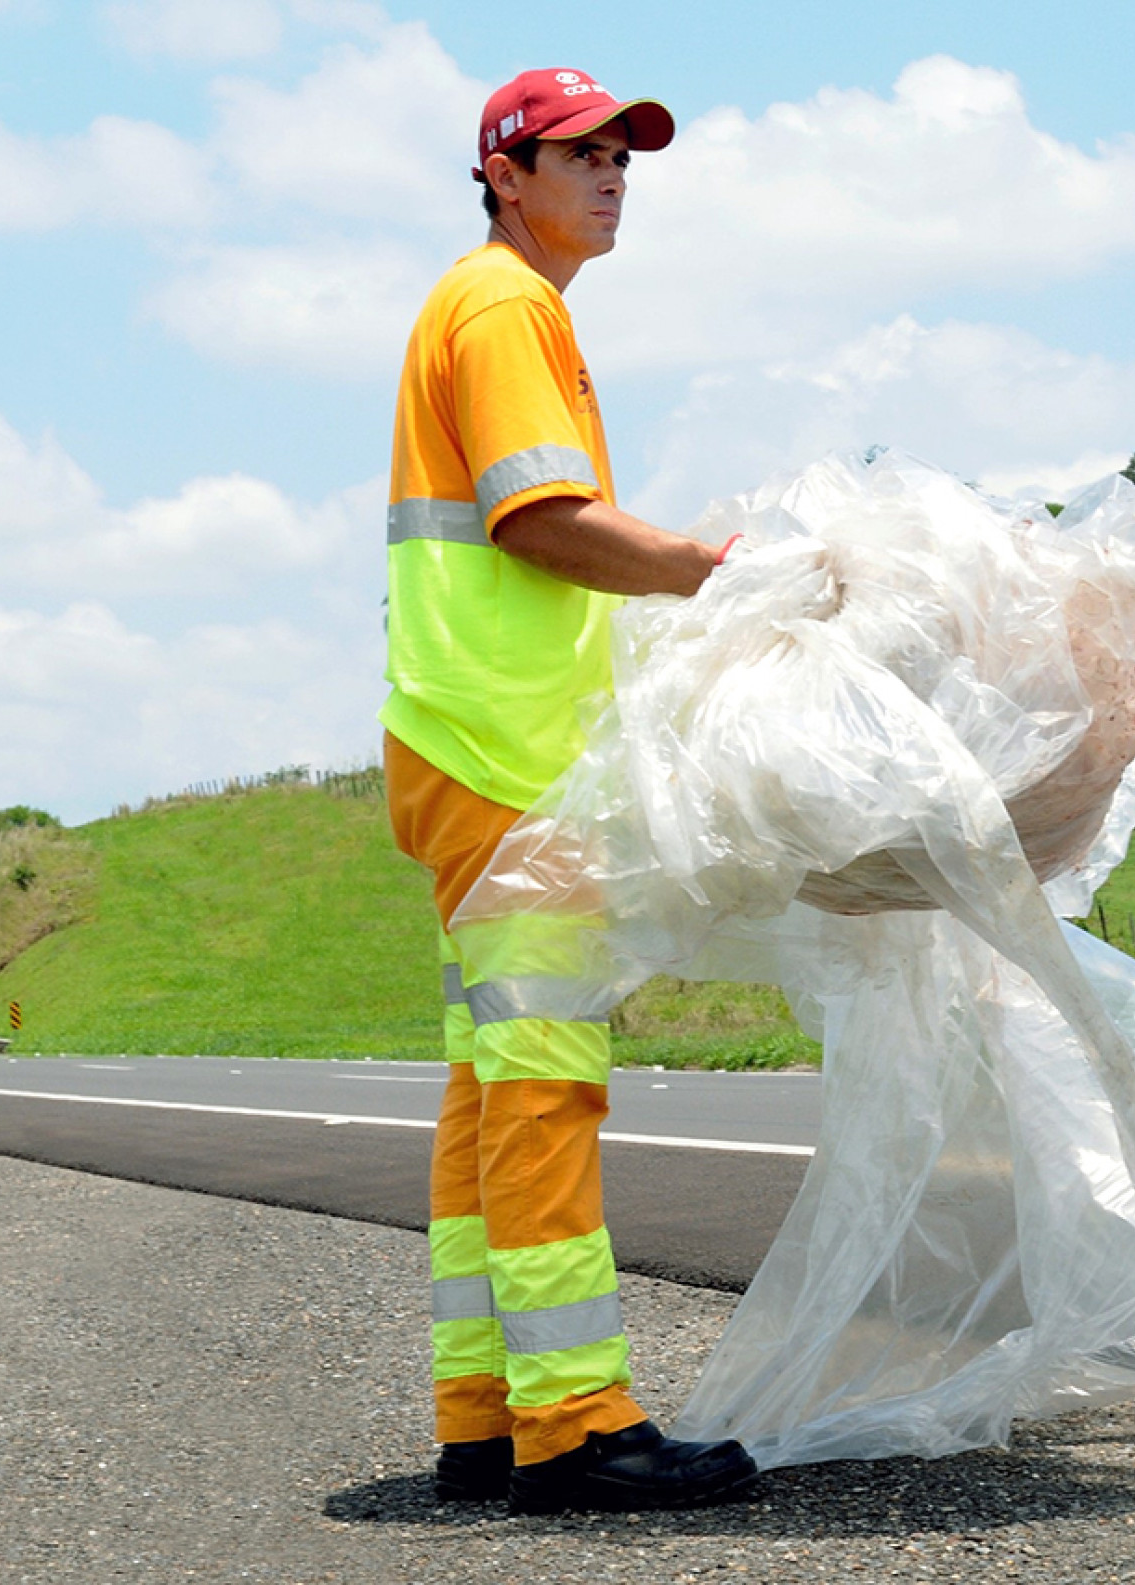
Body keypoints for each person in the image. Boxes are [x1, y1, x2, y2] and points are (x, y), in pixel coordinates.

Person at [380, 68, 758, 1515]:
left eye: (622, 156)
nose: (610, 175)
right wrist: (710, 572)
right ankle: (577, 1426)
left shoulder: (494, 305)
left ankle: (484, 1417)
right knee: (544, 1086)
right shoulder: (504, 307)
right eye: (578, 154)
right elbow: (540, 520)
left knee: (490, 1087)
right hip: (509, 757)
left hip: (466, 742)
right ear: (504, 173)